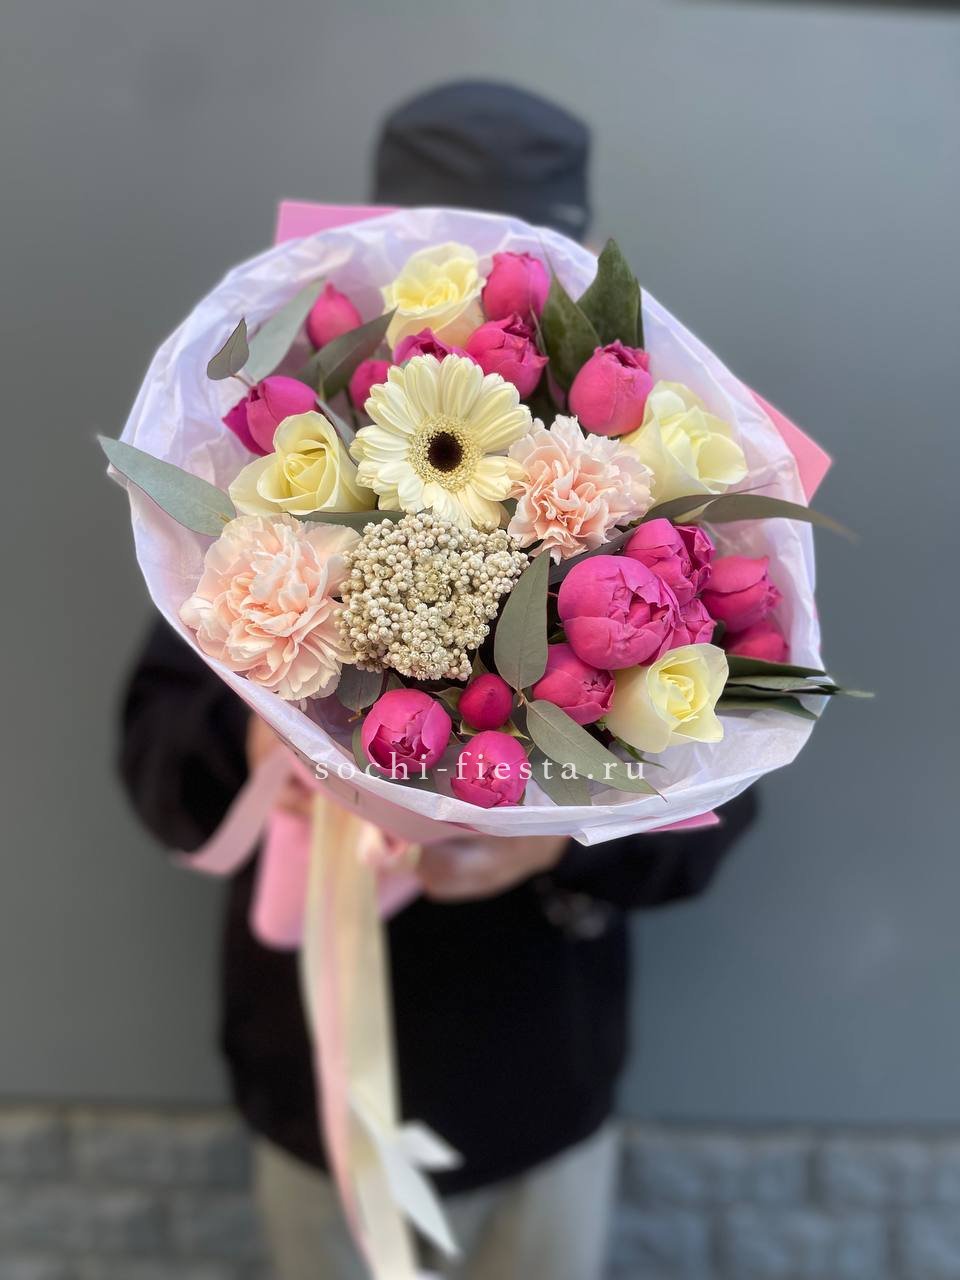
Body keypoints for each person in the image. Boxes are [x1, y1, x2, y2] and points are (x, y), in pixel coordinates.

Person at [119, 81, 756, 1280]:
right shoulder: (264, 462)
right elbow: (153, 749)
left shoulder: (649, 485)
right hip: (309, 1081)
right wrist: (267, 742)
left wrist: (557, 841)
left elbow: (718, 809)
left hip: (542, 1078)